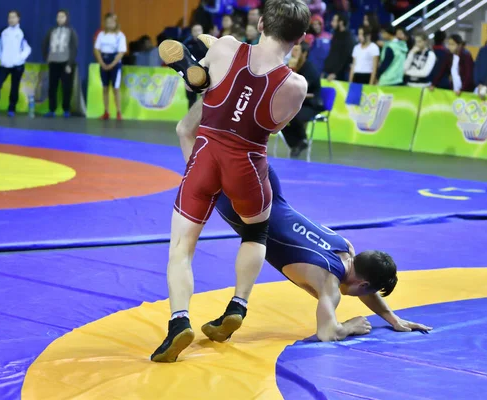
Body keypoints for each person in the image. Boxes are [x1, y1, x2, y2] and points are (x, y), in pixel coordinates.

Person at [175, 99, 432, 340]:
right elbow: (326, 332)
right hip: (240, 207)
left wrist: (392, 318)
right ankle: (217, 85)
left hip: (268, 186)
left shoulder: (346, 246)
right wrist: (349, 327)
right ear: (362, 283)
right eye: (366, 290)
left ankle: (223, 87)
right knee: (187, 133)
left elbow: (366, 285)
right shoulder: (328, 284)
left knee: (228, 135)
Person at [151, 0, 310, 363]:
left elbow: (211, 102)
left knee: (181, 247)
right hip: (248, 165)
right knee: (256, 233)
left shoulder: (226, 46)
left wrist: (209, 76)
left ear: (261, 23)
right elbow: (272, 126)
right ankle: (238, 304)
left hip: (206, 154)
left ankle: (179, 323)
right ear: (299, 37)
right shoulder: (295, 85)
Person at [0, 10, 30, 117]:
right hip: (4, 64)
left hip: (17, 65)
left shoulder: (22, 32)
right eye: (9, 17)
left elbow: (27, 48)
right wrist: (2, 58)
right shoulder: (3, 32)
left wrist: (19, 59)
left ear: (18, 19)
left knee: (15, 87)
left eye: (14, 17)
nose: (11, 19)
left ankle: (12, 108)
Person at [284, 41, 324, 158]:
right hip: (297, 103)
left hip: (311, 104)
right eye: (293, 50)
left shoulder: (309, 69)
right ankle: (298, 144)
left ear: (305, 53)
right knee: (279, 118)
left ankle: (302, 141)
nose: (293, 53)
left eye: (297, 51)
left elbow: (300, 89)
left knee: (293, 114)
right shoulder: (292, 66)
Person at [43, 9, 78, 118]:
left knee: (66, 87)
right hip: (53, 62)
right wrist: (46, 57)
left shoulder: (71, 31)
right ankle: (51, 109)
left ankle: (66, 109)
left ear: (66, 18)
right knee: (52, 87)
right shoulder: (51, 30)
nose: (60, 19)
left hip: (65, 62)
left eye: (62, 17)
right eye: (58, 17)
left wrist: (69, 63)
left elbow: (74, 48)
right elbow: (44, 44)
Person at [94, 13, 127, 121]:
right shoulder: (101, 35)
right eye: (107, 22)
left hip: (115, 63)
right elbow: (97, 49)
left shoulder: (120, 35)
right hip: (104, 61)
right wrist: (102, 63)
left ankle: (118, 112)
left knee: (115, 88)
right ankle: (106, 111)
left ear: (116, 23)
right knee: (105, 88)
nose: (110, 24)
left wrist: (112, 64)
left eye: (112, 22)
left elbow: (121, 52)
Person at [323, 13, 354, 81]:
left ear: (341, 22)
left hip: (338, 76)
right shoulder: (335, 35)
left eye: (334, 21)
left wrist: (335, 73)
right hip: (327, 73)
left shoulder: (348, 37)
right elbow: (332, 54)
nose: (331, 23)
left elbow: (345, 58)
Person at [183, 24, 207, 108]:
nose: (197, 32)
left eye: (199, 30)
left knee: (205, 97)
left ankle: (204, 118)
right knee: (191, 98)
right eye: (195, 30)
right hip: (191, 73)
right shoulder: (187, 44)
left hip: (205, 73)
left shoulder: (207, 44)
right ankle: (190, 118)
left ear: (203, 31)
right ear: (191, 32)